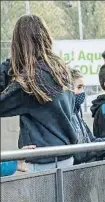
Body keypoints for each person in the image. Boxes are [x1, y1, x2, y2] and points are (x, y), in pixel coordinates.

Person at [0, 14, 78, 172]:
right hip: (66, 156)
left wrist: (9, 64)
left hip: (41, 160)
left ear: (18, 44)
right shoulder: (62, 71)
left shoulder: (31, 81)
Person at [70, 68, 105, 164]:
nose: (83, 92)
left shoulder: (77, 114)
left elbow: (91, 141)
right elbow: (80, 154)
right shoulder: (66, 117)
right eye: (79, 87)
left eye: (83, 87)